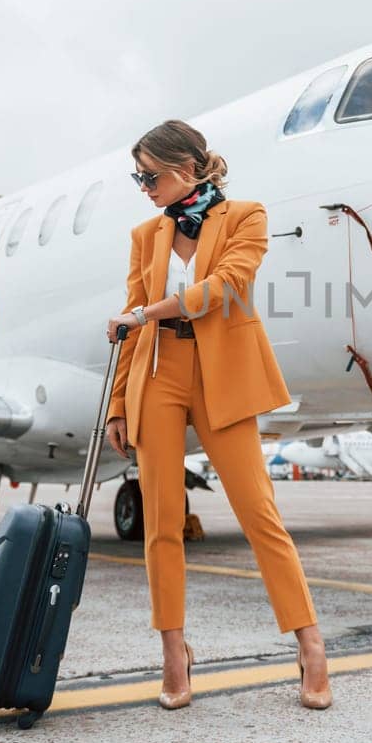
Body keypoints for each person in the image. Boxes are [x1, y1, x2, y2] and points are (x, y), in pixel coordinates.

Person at [104, 118, 331, 711]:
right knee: (159, 521)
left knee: (259, 513)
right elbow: (131, 319)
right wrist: (118, 404)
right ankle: (173, 652)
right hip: (158, 375)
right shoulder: (145, 234)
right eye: (138, 176)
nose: (143, 186)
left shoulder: (246, 217)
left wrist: (149, 311)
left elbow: (229, 285)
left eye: (150, 175)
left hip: (222, 375)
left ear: (186, 169)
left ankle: (310, 646)